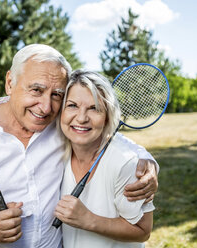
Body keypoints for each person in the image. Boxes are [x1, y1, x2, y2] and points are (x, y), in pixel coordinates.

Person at [0, 44, 158, 248]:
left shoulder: (60, 123)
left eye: (56, 95)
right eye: (36, 90)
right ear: (10, 82)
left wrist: (145, 161)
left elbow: (103, 135)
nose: (45, 107)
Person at [54, 70, 154, 247]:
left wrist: (89, 220)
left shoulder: (126, 163)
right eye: (72, 105)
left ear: (107, 116)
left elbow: (142, 230)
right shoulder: (57, 151)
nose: (82, 118)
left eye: (94, 108)